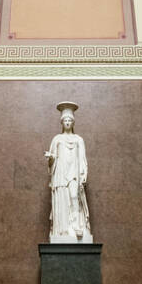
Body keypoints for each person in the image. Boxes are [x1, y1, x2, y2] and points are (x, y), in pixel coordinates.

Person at [44, 102, 92, 243]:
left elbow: (83, 158)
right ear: (61, 122)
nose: (67, 122)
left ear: (73, 122)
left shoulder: (79, 140)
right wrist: (51, 158)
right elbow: (53, 158)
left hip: (74, 172)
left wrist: (84, 173)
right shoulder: (57, 139)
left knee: (73, 195)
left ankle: (77, 224)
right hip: (60, 172)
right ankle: (62, 228)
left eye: (70, 120)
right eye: (65, 120)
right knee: (63, 198)